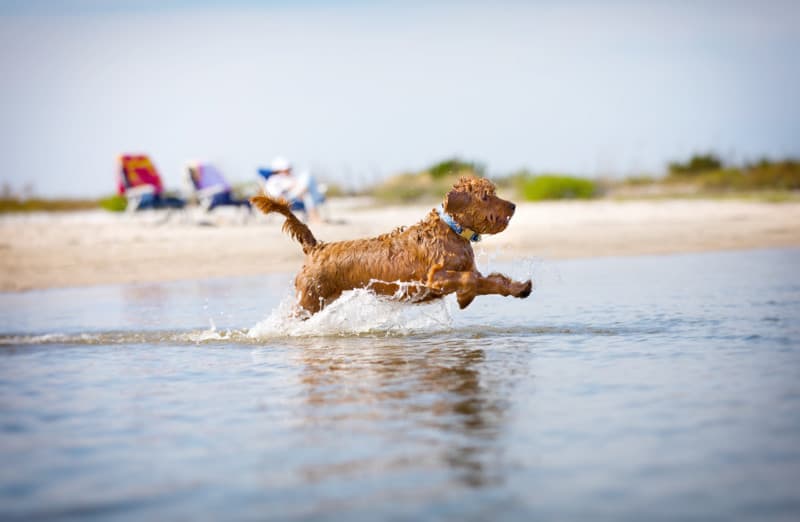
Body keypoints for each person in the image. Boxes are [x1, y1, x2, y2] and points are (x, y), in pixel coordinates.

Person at [259, 157, 324, 223]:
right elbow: (276, 194)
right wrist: (292, 186)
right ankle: (314, 217)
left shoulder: (287, 177)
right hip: (286, 198)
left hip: (294, 194)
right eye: (287, 169)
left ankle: (314, 215)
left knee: (307, 185)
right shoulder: (274, 180)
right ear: (280, 170)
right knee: (306, 179)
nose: (289, 171)